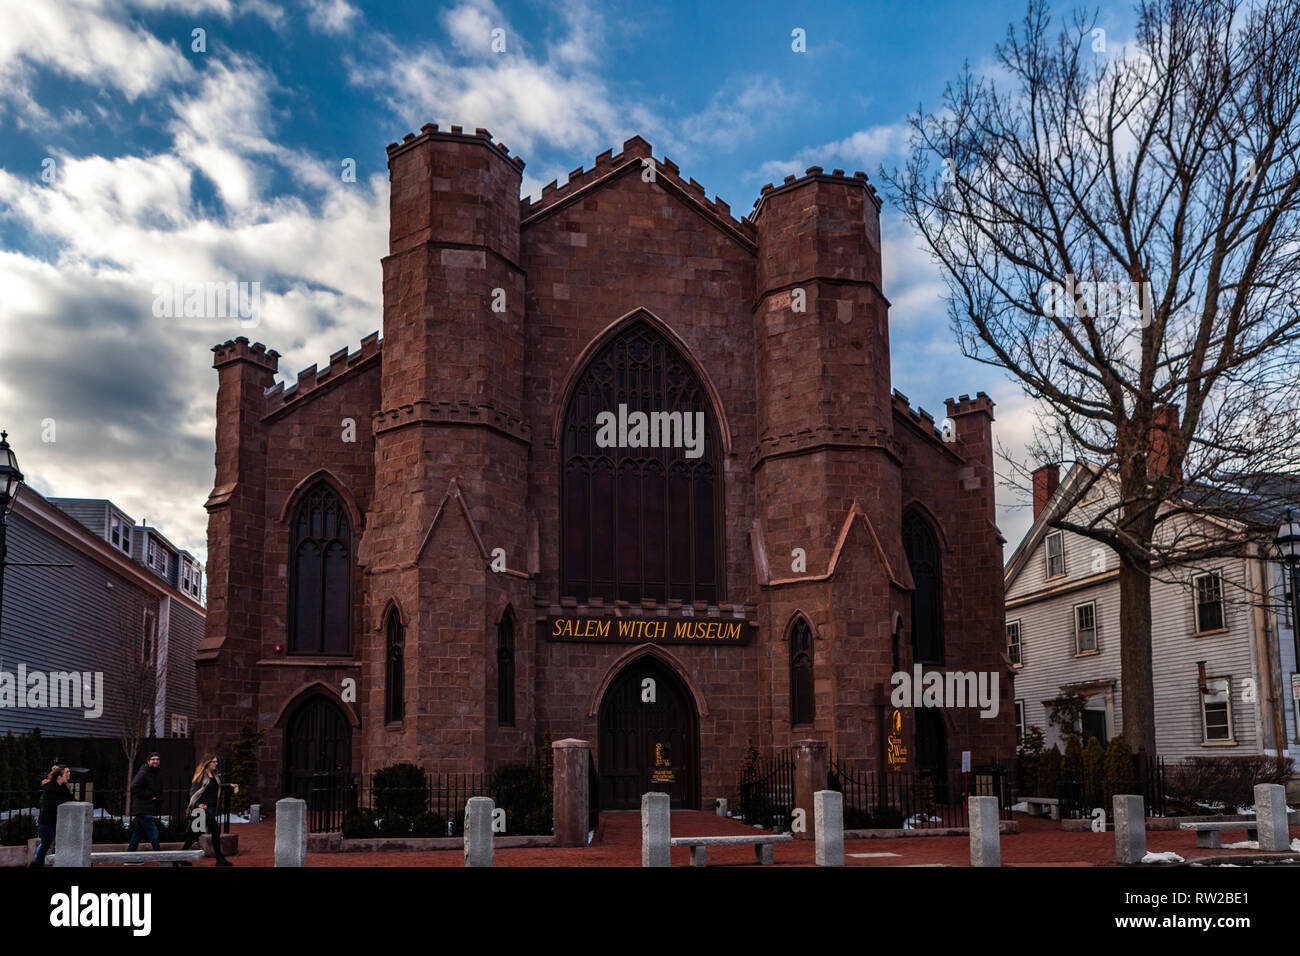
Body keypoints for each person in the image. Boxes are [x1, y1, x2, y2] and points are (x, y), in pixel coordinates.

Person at [180, 755, 237, 866]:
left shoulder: (214, 776)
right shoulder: (201, 777)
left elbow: (216, 787)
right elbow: (193, 793)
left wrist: (228, 785)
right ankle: (179, 857)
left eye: (216, 762)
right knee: (198, 834)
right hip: (202, 811)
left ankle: (219, 859)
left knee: (207, 833)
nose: (216, 764)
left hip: (210, 810)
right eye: (214, 762)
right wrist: (198, 804)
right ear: (207, 763)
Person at [30, 765, 73, 867]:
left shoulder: (63, 787)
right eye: (66, 773)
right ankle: (36, 863)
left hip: (56, 822)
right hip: (46, 822)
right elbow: (50, 805)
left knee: (54, 844)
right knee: (45, 843)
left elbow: (71, 799)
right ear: (59, 777)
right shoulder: (50, 788)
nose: (69, 774)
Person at [125, 752, 163, 858]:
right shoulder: (144, 772)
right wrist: (150, 795)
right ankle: (161, 857)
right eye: (153, 759)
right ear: (148, 761)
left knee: (137, 834)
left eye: (157, 759)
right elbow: (134, 787)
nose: (155, 761)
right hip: (142, 808)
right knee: (152, 831)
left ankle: (128, 858)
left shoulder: (154, 773)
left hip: (147, 808)